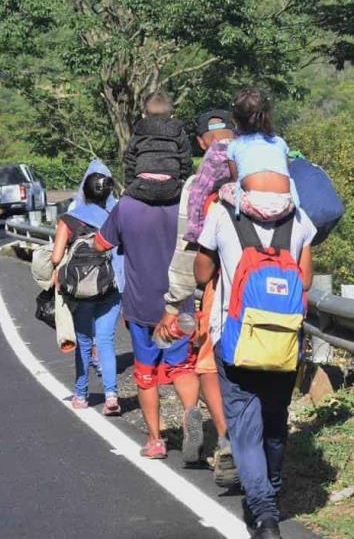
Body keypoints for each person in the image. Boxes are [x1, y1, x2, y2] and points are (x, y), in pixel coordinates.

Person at [194, 97, 316, 539]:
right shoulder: (299, 219)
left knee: (244, 428)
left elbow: (201, 271)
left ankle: (263, 513)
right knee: (275, 420)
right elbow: (303, 281)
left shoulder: (224, 212)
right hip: (283, 339)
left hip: (235, 338)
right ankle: (273, 490)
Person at [154, 109, 238, 486]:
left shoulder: (198, 187)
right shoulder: (269, 178)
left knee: (208, 365)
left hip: (222, 292)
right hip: (276, 293)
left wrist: (174, 304)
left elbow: (189, 254)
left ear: (202, 142)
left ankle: (227, 442)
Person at [94, 187, 203, 461]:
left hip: (141, 304)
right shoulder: (186, 202)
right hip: (180, 303)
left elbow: (100, 243)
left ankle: (155, 442)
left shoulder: (126, 205)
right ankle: (191, 414)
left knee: (146, 375)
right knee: (182, 367)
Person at [50, 160, 123, 416]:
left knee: (83, 341)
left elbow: (57, 257)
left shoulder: (69, 219)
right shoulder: (117, 216)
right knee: (105, 341)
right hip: (111, 287)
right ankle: (111, 395)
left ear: (84, 189)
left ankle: (81, 394)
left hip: (80, 289)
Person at [226, 87, 299, 216]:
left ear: (235, 119)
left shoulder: (234, 146)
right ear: (268, 116)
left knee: (225, 189)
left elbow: (235, 180)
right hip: (285, 205)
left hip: (254, 205)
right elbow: (287, 170)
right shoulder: (280, 142)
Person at [123, 91, 193, 203]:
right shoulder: (179, 132)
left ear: (143, 115)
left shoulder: (139, 131)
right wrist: (183, 180)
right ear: (171, 116)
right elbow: (186, 160)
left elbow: (130, 160)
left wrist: (129, 185)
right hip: (172, 188)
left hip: (142, 187)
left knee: (124, 199)